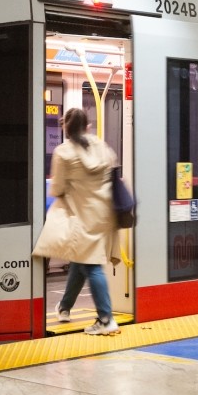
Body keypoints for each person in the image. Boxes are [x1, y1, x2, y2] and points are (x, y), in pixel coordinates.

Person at [51, 107, 122, 334]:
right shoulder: (100, 145)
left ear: (66, 128)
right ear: (87, 127)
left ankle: (105, 319)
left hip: (81, 216)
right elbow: (113, 168)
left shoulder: (63, 152)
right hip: (104, 214)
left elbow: (57, 188)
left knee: (91, 265)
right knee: (80, 260)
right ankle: (64, 307)